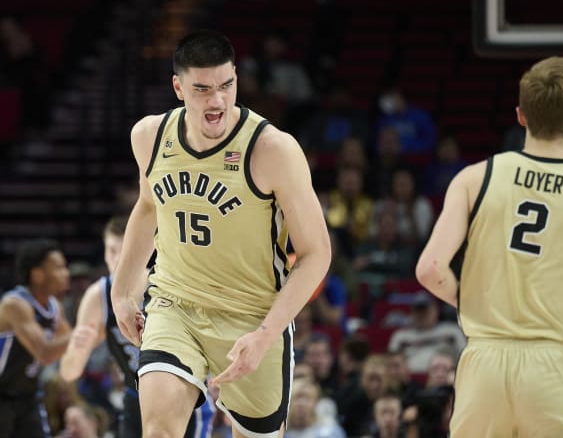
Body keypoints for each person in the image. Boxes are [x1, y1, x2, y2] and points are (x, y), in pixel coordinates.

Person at [110, 30, 331, 438]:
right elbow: (147, 206)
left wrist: (267, 333)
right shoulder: (150, 136)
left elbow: (317, 254)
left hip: (252, 316)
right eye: (202, 89)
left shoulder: (272, 150)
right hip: (175, 303)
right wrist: (122, 290)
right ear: (178, 87)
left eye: (226, 85)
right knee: (158, 430)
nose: (217, 101)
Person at [415, 56, 563, 437]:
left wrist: (472, 301)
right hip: (557, 364)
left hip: (484, 360)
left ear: (520, 115)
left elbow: (429, 269)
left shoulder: (473, 179)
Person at [59, 216, 215, 437]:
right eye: (111, 251)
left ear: (143, 249)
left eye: (124, 250)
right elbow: (69, 373)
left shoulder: (167, 284)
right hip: (135, 399)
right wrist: (77, 349)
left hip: (183, 396)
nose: (117, 259)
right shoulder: (98, 297)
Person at [0, 238, 71, 438]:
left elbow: (73, 346)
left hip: (27, 396)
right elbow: (45, 352)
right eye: (59, 268)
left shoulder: (55, 308)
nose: (66, 273)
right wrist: (87, 328)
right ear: (37, 274)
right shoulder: (14, 305)